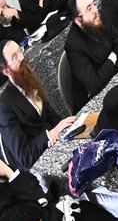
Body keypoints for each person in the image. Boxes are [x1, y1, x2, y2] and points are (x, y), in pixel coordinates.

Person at [0, 41, 74, 170]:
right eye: (14, 57)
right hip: (39, 165)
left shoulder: (28, 80)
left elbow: (51, 116)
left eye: (20, 51)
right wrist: (49, 135)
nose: (22, 57)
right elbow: (24, 157)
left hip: (55, 146)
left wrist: (69, 126)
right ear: (6, 71)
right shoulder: (4, 105)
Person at [63, 0, 118, 108]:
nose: (95, 10)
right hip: (92, 105)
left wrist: (103, 75)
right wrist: (112, 58)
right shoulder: (73, 45)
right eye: (89, 8)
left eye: (94, 4)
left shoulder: (101, 17)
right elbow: (94, 86)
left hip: (116, 84)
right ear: (78, 20)